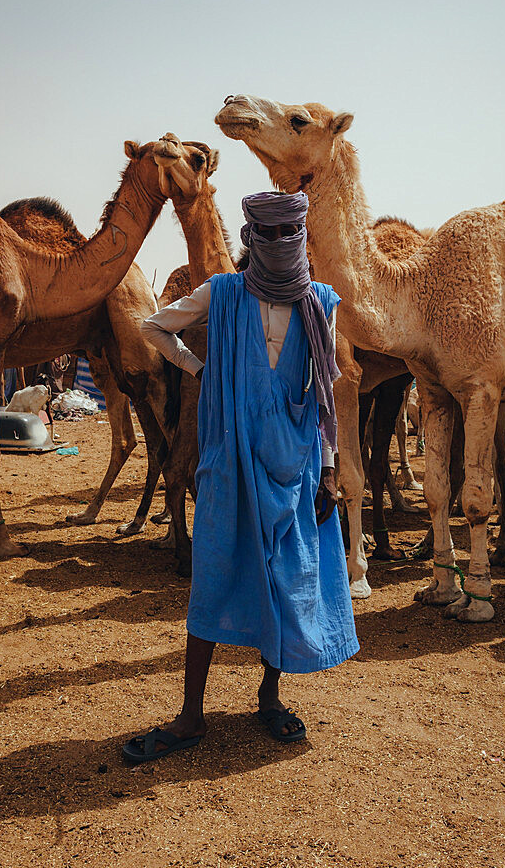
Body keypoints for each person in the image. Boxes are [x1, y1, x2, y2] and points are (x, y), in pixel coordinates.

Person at [122, 190, 359, 764]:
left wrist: (329, 469)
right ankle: (190, 715)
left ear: (301, 236)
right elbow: (155, 329)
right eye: (268, 235)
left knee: (283, 579)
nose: (279, 245)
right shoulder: (223, 294)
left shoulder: (319, 302)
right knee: (213, 575)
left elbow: (325, 389)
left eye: (289, 235)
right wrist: (203, 369)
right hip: (229, 459)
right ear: (251, 237)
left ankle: (269, 698)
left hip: (295, 462)